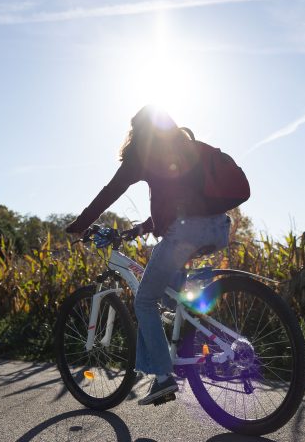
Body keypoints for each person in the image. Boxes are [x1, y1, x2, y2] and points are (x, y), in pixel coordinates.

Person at [65, 105, 232, 405]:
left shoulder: (142, 154)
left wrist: (81, 224)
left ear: (138, 131)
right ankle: (192, 347)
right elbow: (184, 206)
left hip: (185, 233)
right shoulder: (184, 148)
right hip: (219, 227)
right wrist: (137, 230)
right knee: (170, 296)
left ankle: (163, 377)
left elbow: (110, 191)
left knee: (144, 301)